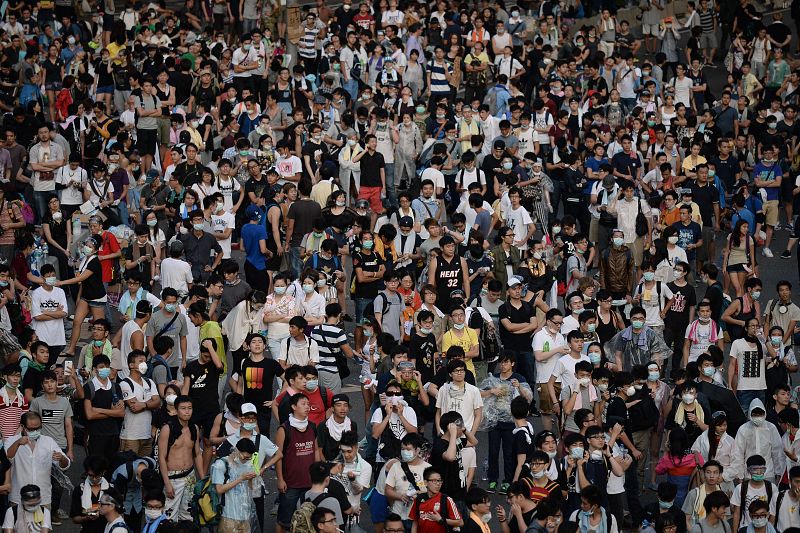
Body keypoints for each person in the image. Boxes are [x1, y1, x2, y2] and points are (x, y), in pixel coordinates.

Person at [156, 395, 205, 522]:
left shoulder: (194, 428)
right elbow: (161, 457)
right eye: (183, 408)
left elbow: (197, 454)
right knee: (169, 516)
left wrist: (203, 479)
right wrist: (167, 483)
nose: (187, 411)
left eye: (189, 408)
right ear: (176, 410)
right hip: (173, 477)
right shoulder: (167, 429)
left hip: (190, 475)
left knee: (189, 515)